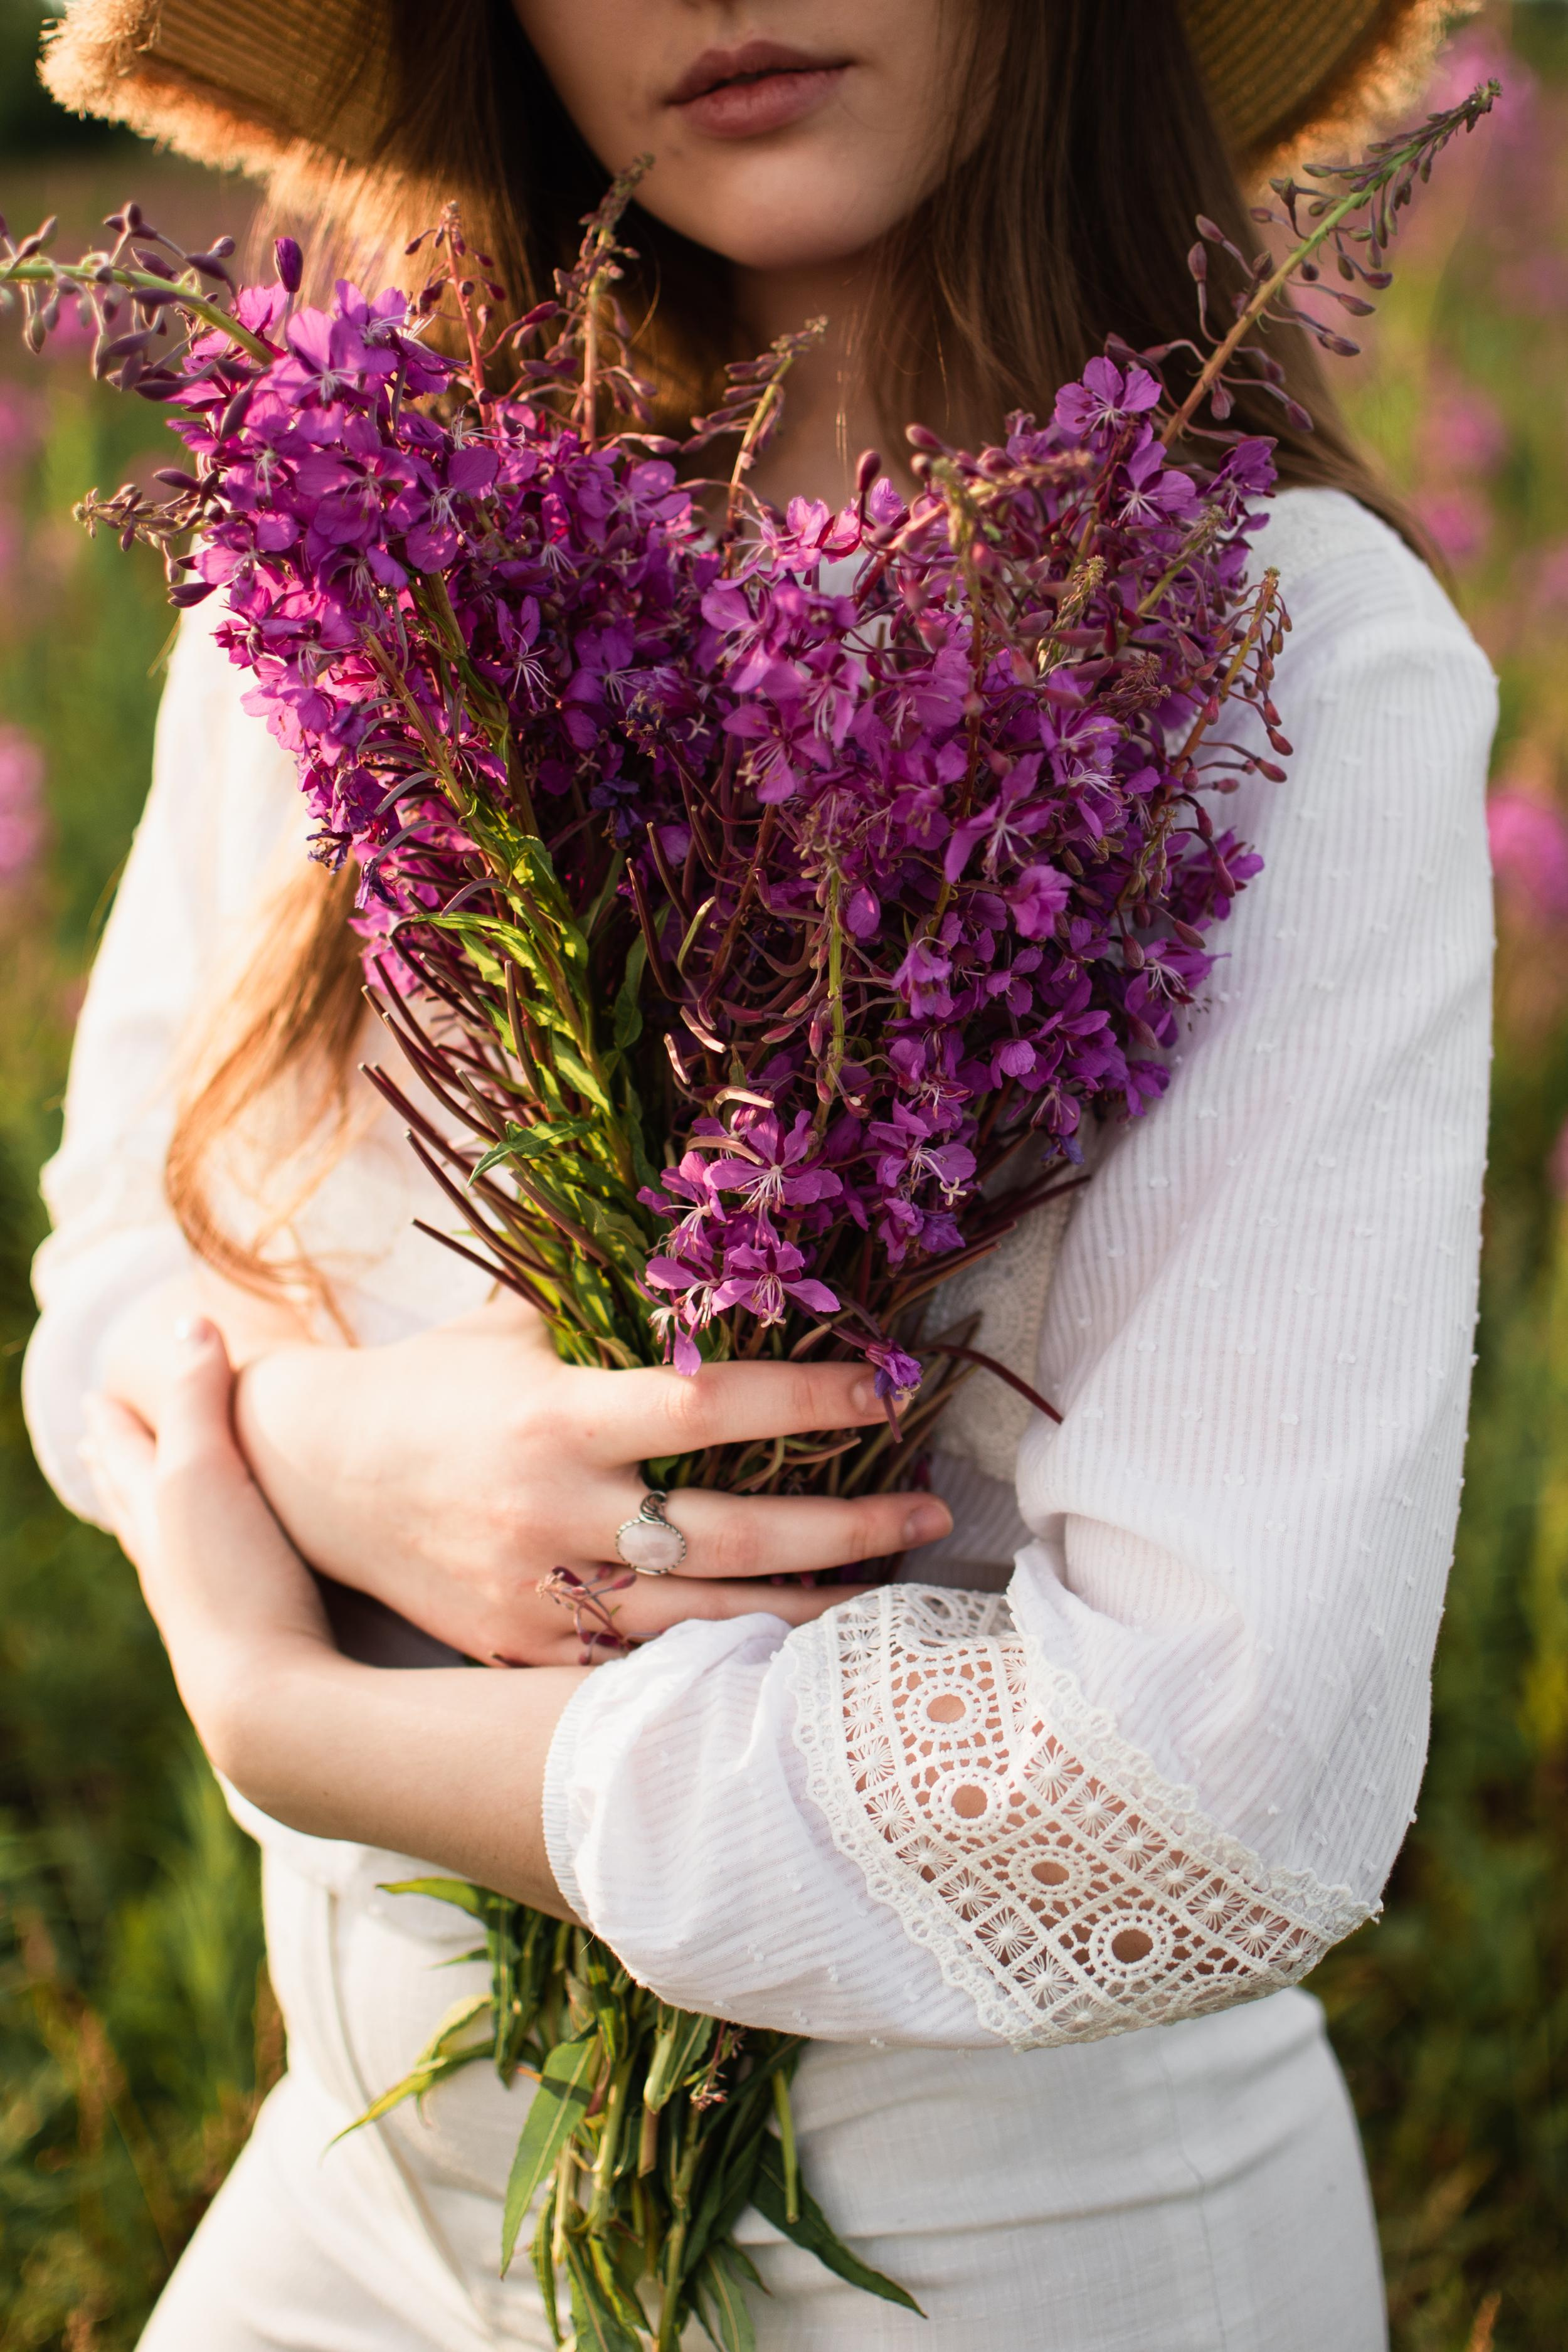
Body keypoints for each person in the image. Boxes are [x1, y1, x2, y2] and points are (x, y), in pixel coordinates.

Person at [28, 3, 1496, 2346]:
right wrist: (330, 1448)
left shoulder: (1274, 642)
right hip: (359, 2209)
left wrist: (322, 1729)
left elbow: (1203, 1799)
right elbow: (115, 1270)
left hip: (1007, 2273)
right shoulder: (351, 538)